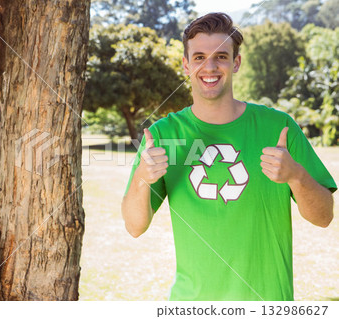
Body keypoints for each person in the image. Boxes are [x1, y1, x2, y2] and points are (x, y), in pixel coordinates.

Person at [121, 12, 336, 301]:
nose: (210, 66)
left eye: (221, 56)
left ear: (236, 62)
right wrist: (141, 178)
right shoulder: (162, 135)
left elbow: (323, 217)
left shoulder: (279, 128)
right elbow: (135, 227)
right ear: (186, 65)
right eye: (199, 57)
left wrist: (297, 176)